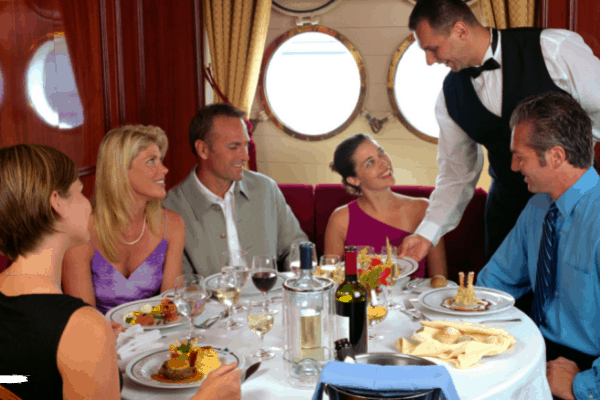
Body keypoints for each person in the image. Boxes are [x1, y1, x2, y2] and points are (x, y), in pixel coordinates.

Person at [0, 144, 242, 400]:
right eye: (80, 192)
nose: (87, 204)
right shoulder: (79, 326)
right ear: (57, 203)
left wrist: (98, 343)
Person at [398, 0, 600, 266]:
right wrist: (426, 235)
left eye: (432, 49)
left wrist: (574, 151)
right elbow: (456, 174)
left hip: (574, 204)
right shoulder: (449, 97)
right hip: (506, 215)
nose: (429, 60)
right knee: (502, 298)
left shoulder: (554, 48)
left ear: (460, 30)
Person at [476, 91, 600, 400]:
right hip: (533, 350)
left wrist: (581, 386)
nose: (515, 167)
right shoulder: (538, 209)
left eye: (521, 156)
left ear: (556, 156)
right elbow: (495, 283)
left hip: (586, 370)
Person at [164, 103, 308, 276]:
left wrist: (300, 278)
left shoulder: (266, 188)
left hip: (267, 297)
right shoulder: (171, 206)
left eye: (245, 145)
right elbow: (180, 282)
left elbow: (296, 247)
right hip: (211, 302)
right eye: (234, 147)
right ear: (203, 149)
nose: (245, 156)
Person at [62, 125, 185, 315]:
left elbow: (172, 307)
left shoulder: (173, 225)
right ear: (119, 170)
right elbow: (83, 317)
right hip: (98, 339)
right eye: (151, 161)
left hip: (155, 336)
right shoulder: (80, 231)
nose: (164, 169)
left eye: (160, 159)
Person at [325, 133, 447, 278]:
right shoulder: (340, 219)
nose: (384, 163)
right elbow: (330, 279)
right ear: (354, 179)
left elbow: (439, 279)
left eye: (381, 152)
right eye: (370, 162)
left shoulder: (423, 209)